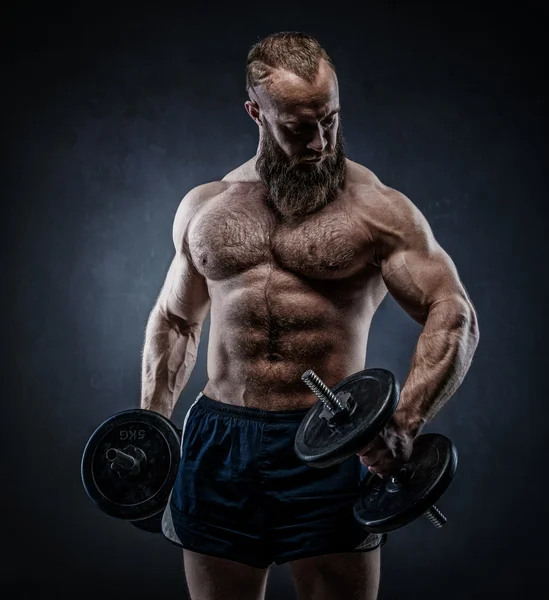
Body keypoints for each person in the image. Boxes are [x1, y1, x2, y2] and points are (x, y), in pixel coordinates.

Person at [140, 31, 479, 600]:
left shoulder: (376, 209)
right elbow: (175, 320)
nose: (321, 140)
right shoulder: (207, 207)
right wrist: (151, 426)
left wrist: (404, 421)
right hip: (220, 441)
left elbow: (454, 313)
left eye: (331, 119)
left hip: (329, 446)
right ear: (256, 112)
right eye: (300, 125)